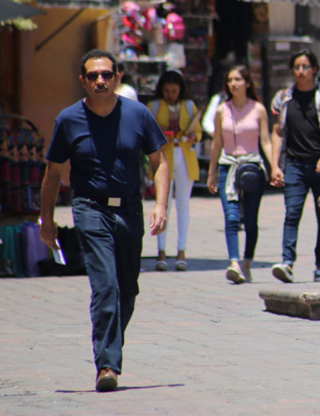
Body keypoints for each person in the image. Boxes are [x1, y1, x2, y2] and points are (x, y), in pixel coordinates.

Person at [39, 49, 169, 392]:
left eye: (107, 75)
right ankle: (107, 365)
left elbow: (160, 161)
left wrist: (161, 205)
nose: (101, 81)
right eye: (93, 75)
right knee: (106, 285)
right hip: (89, 208)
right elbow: (53, 173)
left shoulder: (138, 114)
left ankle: (110, 345)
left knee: (127, 289)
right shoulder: (68, 120)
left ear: (118, 77)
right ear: (83, 80)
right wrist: (46, 220)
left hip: (130, 209)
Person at [269, 50, 320, 284]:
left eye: (305, 67)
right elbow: (277, 133)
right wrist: (274, 165)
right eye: (297, 67)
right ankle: (287, 263)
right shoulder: (283, 98)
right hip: (294, 164)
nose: (301, 71)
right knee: (292, 213)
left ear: (314, 69)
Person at [207, 65, 279, 284]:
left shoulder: (258, 109)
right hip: (228, 167)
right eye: (230, 80)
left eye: (238, 79)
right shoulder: (222, 110)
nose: (234, 84)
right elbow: (217, 143)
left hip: (252, 168)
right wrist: (212, 173)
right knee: (231, 217)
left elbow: (266, 141)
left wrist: (274, 166)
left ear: (248, 83)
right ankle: (234, 263)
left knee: (250, 220)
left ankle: (247, 262)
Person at [147, 70, 202, 271]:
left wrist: (193, 136)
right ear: (161, 90)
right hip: (163, 157)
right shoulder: (153, 106)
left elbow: (198, 131)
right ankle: (161, 252)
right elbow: (146, 131)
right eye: (167, 91)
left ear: (181, 90)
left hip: (184, 155)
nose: (170, 94)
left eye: (174, 91)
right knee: (163, 204)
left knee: (183, 205)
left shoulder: (189, 105)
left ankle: (181, 251)